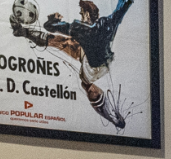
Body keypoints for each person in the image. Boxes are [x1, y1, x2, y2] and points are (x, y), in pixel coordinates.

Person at [11, 0, 135, 129]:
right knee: (68, 44)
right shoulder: (109, 23)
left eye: (82, 14)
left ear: (87, 15)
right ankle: (112, 118)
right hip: (105, 64)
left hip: (91, 68)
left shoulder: (79, 29)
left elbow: (50, 26)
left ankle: (21, 32)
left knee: (62, 43)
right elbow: (121, 9)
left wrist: (53, 19)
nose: (81, 16)